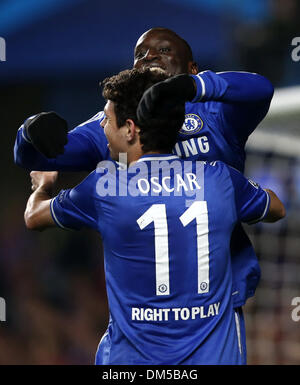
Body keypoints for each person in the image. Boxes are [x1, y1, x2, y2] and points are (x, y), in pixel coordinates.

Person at [14, 27, 274, 362]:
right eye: (140, 54)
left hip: (215, 304)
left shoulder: (217, 114)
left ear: (191, 69)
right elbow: (41, 155)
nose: (149, 57)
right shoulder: (110, 128)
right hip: (143, 312)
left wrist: (198, 87)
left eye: (163, 50)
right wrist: (30, 133)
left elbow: (260, 88)